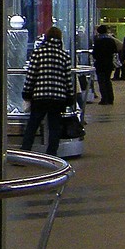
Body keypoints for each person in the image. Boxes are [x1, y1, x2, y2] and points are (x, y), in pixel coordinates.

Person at [20, 25, 75, 155]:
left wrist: (27, 93)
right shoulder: (64, 55)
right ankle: (52, 154)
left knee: (33, 125)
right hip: (58, 96)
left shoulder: (38, 53)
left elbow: (31, 75)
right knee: (54, 126)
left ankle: (25, 151)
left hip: (40, 95)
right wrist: (70, 96)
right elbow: (68, 79)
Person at [90, 24, 122, 105]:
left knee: (101, 81)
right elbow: (115, 50)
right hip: (109, 63)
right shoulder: (111, 40)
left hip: (100, 64)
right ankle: (110, 98)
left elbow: (95, 53)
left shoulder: (98, 41)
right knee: (107, 80)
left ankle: (104, 99)